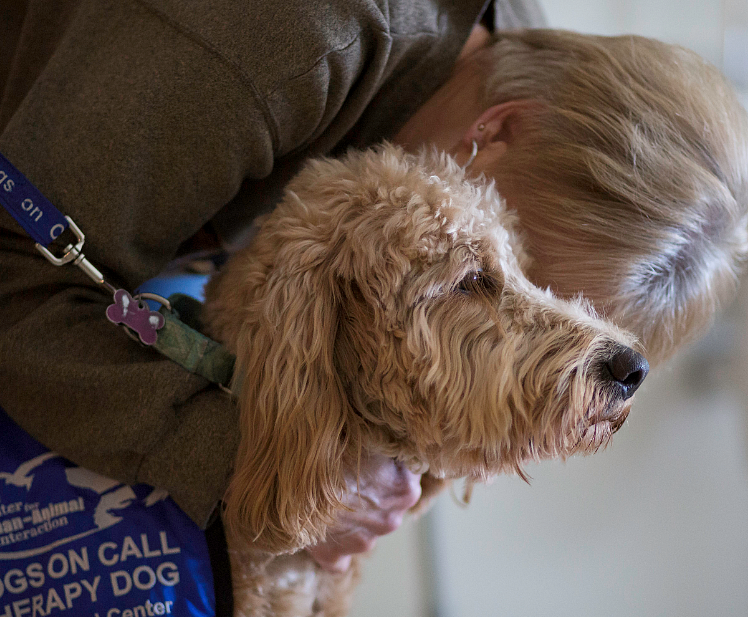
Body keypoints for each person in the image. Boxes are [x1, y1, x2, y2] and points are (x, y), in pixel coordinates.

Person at [1, 0, 746, 577]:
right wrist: (251, 459)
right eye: (516, 276)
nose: (538, 321)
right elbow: (13, 273)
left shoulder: (531, 71)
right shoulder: (276, 46)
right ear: (502, 127)